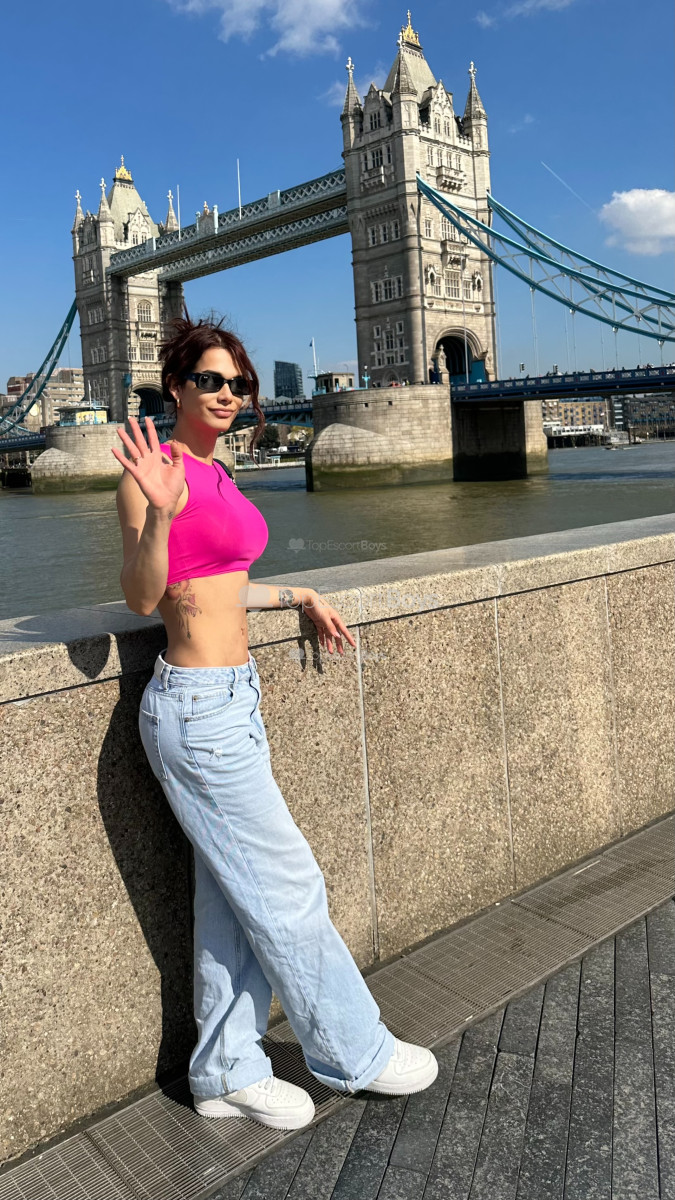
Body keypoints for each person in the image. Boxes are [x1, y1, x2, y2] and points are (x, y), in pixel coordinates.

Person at [112, 314, 438, 1133]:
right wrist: (158, 514)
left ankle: (223, 1072)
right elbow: (144, 598)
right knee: (289, 885)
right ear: (177, 388)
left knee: (232, 901)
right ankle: (354, 1051)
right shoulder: (157, 473)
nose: (227, 394)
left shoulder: (221, 471)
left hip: (235, 698)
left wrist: (300, 594)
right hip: (195, 710)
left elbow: (222, 586)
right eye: (210, 381)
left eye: (239, 384)